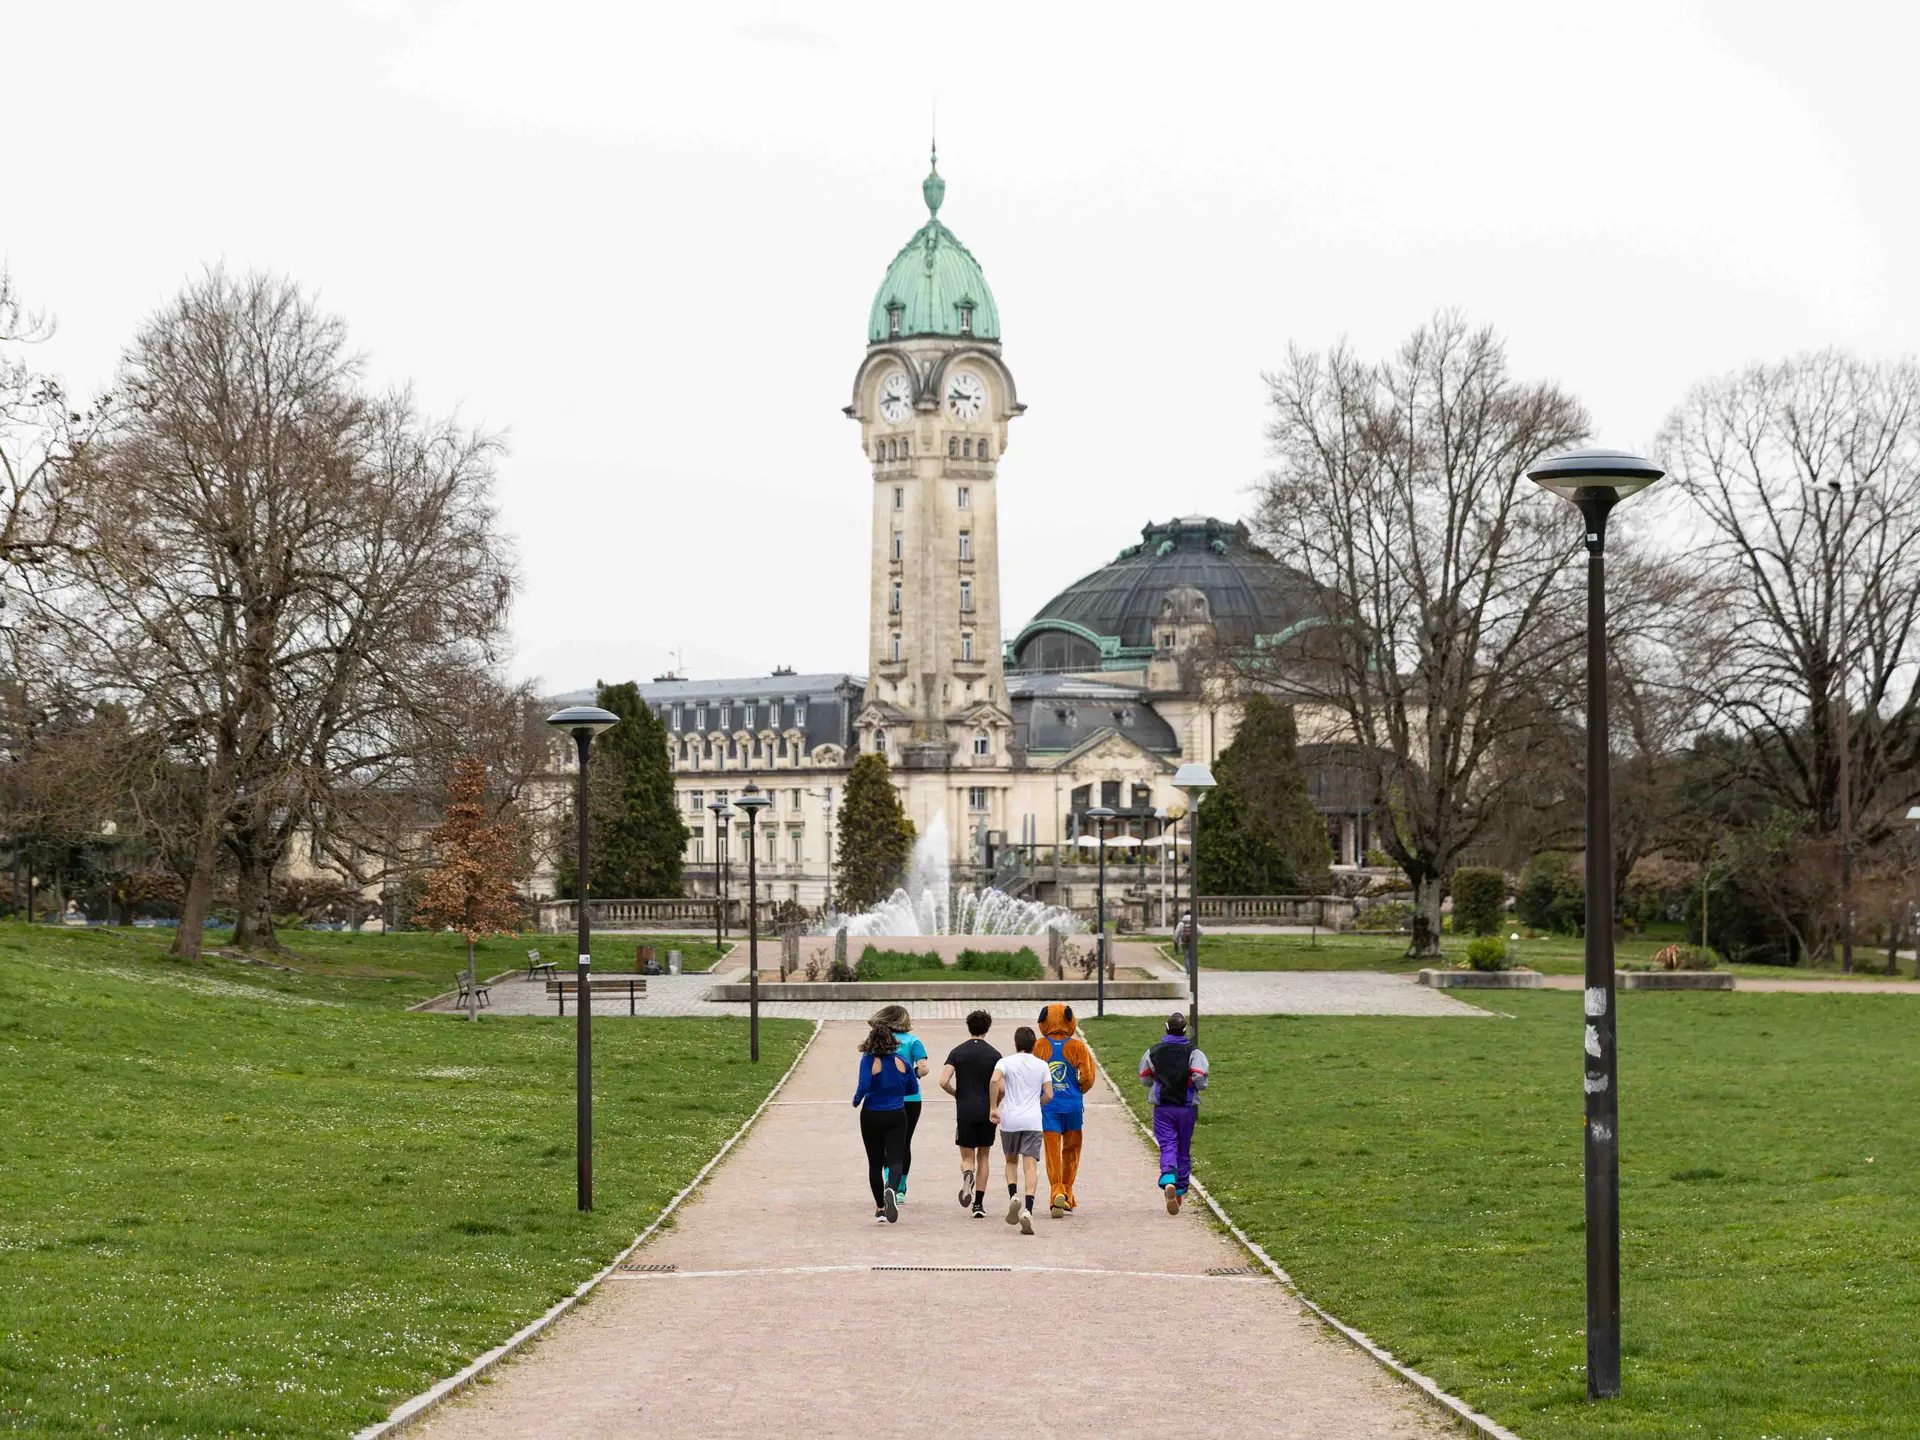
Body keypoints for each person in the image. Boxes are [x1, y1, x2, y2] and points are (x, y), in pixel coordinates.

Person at [1138, 1011, 1209, 1214]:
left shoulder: (1152, 1052)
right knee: (1183, 1149)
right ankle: (1179, 1191)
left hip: (1163, 1108)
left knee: (1168, 1144)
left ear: (1166, 1028)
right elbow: (1199, 1077)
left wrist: (1157, 1082)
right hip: (1187, 1108)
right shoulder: (1195, 1052)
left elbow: (1145, 1078)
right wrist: (1198, 1085)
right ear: (1184, 1030)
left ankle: (1168, 1176)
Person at [989, 1025, 1053, 1235]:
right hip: (1033, 1120)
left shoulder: (1005, 1062)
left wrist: (993, 1108)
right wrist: (1037, 1104)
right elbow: (1049, 1095)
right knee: (1030, 1166)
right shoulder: (1042, 1065)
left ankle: (1013, 1195)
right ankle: (1028, 1208)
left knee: (1010, 1161)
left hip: (1010, 1119)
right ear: (1034, 1045)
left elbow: (994, 1080)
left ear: (1016, 1043)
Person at [852, 1020, 919, 1223]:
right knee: (896, 1158)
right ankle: (892, 1187)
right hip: (897, 1113)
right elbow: (913, 1088)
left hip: (872, 1114)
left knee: (875, 1162)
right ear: (892, 1041)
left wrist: (856, 1101)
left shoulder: (868, 1060)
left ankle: (880, 1207)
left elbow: (864, 1085)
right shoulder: (901, 1061)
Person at [1033, 1004, 1096, 1219]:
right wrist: (1079, 1091)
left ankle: (1056, 1191)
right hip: (1072, 1107)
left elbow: (1033, 1075)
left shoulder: (1039, 1046)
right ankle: (1067, 1192)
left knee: (1052, 1153)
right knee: (1071, 1152)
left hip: (1048, 1106)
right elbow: (1088, 1077)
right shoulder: (1077, 1047)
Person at [939, 1009, 1002, 1218]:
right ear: (987, 1028)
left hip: (965, 1109)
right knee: (984, 1155)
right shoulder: (995, 1055)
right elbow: (1001, 1088)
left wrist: (956, 1093)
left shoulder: (957, 1052)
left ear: (969, 1027)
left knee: (968, 1157)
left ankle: (968, 1173)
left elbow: (943, 1081)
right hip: (986, 1111)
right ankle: (978, 1205)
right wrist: (995, 1105)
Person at [872, 1005, 929, 1201]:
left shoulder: (879, 1041)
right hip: (911, 1099)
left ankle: (890, 1181)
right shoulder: (913, 1041)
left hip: (885, 1097)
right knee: (904, 1142)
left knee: (886, 1143)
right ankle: (901, 1187)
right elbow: (924, 1068)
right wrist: (911, 1075)